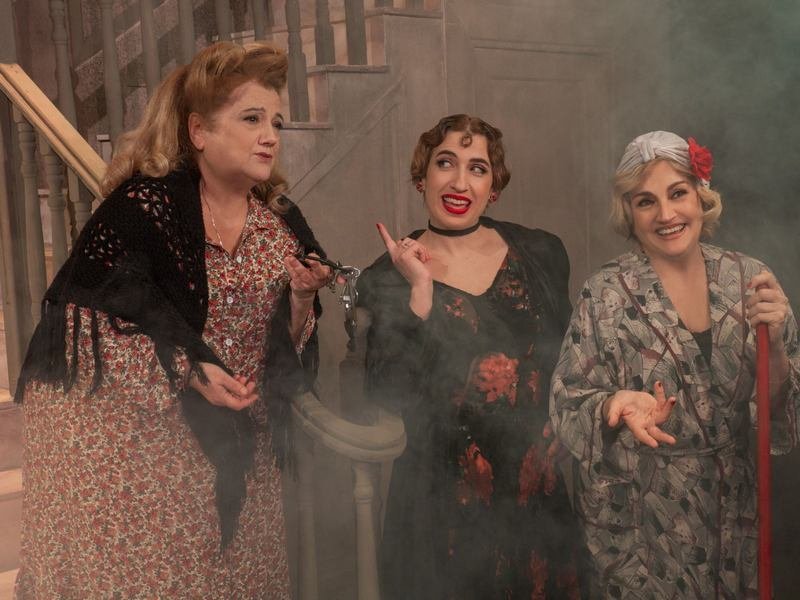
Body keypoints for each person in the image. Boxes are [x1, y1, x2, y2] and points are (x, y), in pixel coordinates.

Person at [14, 41, 331, 598]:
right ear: (199, 131)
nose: (271, 136)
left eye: (275, 121)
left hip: (235, 434)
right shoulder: (143, 209)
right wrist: (190, 370)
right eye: (252, 118)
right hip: (130, 439)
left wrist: (302, 299)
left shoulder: (281, 222)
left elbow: (280, 345)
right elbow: (84, 325)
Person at [550, 130, 800, 598]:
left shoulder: (749, 279)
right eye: (646, 201)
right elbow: (567, 405)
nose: (666, 214)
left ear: (701, 197)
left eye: (677, 193)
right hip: (639, 524)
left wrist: (779, 353)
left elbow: (779, 413)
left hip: (734, 514)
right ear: (629, 212)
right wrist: (612, 406)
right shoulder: (604, 293)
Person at [358, 114, 586, 599]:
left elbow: (571, 356)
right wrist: (419, 292)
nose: (460, 182)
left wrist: (567, 420)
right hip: (439, 507)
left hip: (533, 495)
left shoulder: (541, 252)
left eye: (477, 168)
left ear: (493, 188)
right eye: (445, 163)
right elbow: (388, 392)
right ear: (421, 178)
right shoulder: (386, 276)